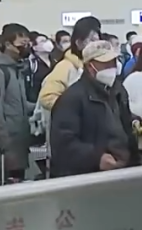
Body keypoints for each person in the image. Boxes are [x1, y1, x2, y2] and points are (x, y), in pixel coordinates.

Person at [49, 41, 139, 177]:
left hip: (123, 168)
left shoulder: (118, 91)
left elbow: (123, 124)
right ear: (90, 66)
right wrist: (96, 158)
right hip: (90, 175)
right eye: (106, 64)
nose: (112, 67)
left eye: (114, 62)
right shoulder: (72, 98)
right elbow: (63, 143)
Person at [38, 16, 102, 149]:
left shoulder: (93, 66)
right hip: (70, 138)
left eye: (98, 40)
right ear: (79, 43)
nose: (96, 44)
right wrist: (75, 111)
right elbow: (47, 97)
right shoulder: (66, 67)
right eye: (91, 40)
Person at [0, 23, 34, 183]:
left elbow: (18, 104)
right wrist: (4, 143)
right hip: (4, 149)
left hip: (18, 144)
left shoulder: (15, 69)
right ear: (7, 45)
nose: (26, 48)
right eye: (22, 44)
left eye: (28, 44)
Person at [26, 32, 55, 102]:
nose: (47, 43)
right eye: (42, 41)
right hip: (37, 100)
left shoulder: (55, 61)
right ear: (35, 47)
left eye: (47, 40)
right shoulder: (32, 63)